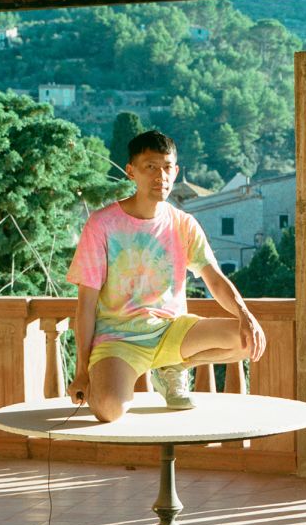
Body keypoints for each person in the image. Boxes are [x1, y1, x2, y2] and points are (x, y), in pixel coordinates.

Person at [66, 130, 266, 422]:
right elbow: (85, 306)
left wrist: (245, 314)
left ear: (176, 171)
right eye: (150, 167)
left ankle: (171, 367)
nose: (161, 175)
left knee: (248, 340)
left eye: (167, 167)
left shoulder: (183, 224)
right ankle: (123, 377)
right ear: (131, 172)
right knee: (108, 409)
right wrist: (82, 371)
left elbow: (215, 280)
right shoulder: (102, 225)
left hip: (172, 331)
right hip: (119, 339)